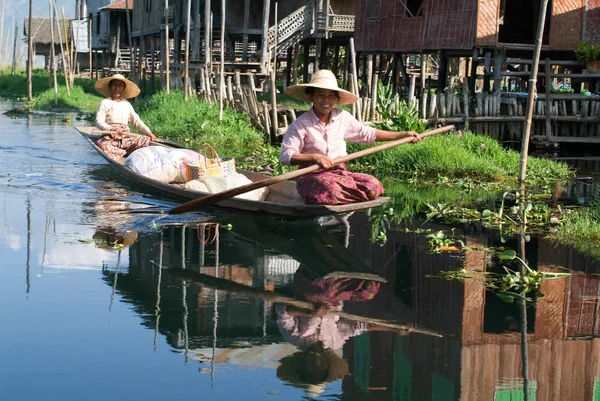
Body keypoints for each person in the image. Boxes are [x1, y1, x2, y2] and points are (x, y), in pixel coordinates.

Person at [280, 69, 422, 205]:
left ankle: (335, 198)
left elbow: (367, 134)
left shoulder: (342, 117)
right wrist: (315, 157)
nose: (326, 100)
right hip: (311, 175)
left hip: (339, 174)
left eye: (331, 96)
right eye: (321, 95)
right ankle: (332, 197)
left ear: (336, 98)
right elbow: (286, 155)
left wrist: (403, 135)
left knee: (374, 185)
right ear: (311, 97)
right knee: (329, 188)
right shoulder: (300, 124)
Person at [94, 73, 157, 160]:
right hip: (110, 138)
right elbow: (98, 121)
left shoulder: (126, 104)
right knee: (103, 145)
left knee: (145, 140)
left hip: (125, 137)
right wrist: (111, 129)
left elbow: (136, 121)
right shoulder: (105, 103)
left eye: (120, 85)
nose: (117, 88)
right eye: (114, 85)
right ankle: (123, 153)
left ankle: (124, 151)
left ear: (123, 89)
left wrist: (149, 133)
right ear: (110, 87)